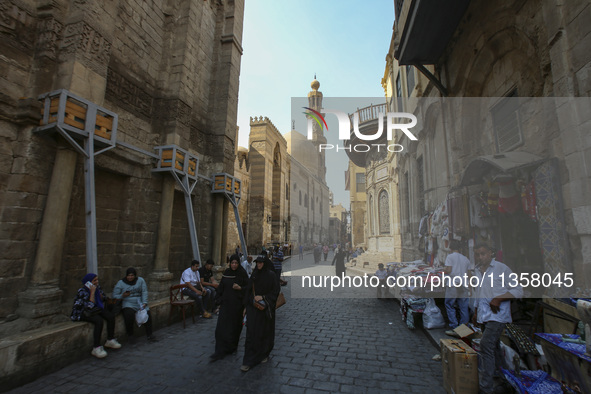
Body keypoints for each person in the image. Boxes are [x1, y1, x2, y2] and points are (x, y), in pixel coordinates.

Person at [472, 242, 523, 394]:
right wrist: (475, 312)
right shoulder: (477, 270)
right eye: (478, 254)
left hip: (498, 316)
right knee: (493, 348)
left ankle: (486, 387)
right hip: (483, 315)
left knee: (486, 345)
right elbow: (478, 292)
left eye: (483, 254)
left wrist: (499, 298)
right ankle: (504, 380)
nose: (481, 257)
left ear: (491, 253)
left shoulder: (502, 268)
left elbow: (518, 290)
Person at [240, 255, 280, 372]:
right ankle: (248, 360)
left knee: (264, 333)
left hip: (265, 310)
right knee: (251, 334)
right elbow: (248, 291)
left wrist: (263, 297)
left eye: (261, 263)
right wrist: (246, 306)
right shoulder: (254, 275)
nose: (259, 265)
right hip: (253, 308)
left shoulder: (271, 276)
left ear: (265, 263)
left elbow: (275, 292)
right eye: (257, 263)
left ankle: (263, 354)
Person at [71, 273, 122, 358]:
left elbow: (104, 299)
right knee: (98, 321)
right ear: (88, 282)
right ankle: (96, 347)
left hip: (95, 309)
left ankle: (110, 339)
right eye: (94, 280)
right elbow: (88, 307)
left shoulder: (97, 288)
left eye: (97, 280)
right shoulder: (82, 291)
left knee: (110, 316)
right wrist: (92, 293)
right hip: (83, 312)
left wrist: (101, 296)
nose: (96, 282)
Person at [210, 254, 249, 361]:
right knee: (220, 329)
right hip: (226, 305)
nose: (234, 265)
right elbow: (221, 287)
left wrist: (240, 288)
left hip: (237, 306)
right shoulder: (227, 273)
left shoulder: (242, 273)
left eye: (236, 263)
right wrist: (218, 301)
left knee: (233, 329)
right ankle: (220, 350)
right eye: (232, 263)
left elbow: (248, 288)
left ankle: (231, 348)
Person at [112, 267, 157, 343]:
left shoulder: (140, 280)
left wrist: (144, 303)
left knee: (147, 314)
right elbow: (114, 295)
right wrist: (123, 295)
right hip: (128, 302)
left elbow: (144, 291)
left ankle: (150, 334)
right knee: (128, 315)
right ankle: (130, 335)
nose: (130, 277)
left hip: (139, 302)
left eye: (132, 275)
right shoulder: (121, 283)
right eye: (128, 275)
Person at [443, 240, 471, 334]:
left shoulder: (450, 257)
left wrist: (444, 269)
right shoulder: (465, 258)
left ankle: (454, 327)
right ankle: (463, 329)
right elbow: (469, 274)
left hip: (453, 284)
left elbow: (449, 270)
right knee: (463, 307)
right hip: (463, 284)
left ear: (450, 247)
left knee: (449, 305)